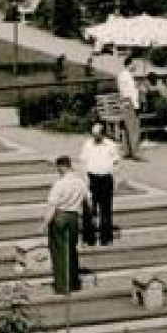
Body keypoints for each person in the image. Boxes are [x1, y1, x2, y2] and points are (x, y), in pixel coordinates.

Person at [42, 156, 87, 295]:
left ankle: (62, 286)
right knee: (71, 250)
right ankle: (74, 283)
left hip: (60, 216)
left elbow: (52, 206)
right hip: (74, 217)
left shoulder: (59, 184)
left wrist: (44, 223)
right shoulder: (81, 182)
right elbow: (85, 202)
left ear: (62, 167)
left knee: (59, 252)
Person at [78, 122, 120, 247]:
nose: (94, 137)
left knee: (106, 210)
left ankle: (106, 238)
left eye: (97, 135)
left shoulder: (111, 145)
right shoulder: (87, 144)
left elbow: (116, 163)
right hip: (92, 179)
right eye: (93, 134)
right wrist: (84, 181)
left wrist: (115, 179)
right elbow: (83, 162)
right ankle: (89, 238)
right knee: (89, 210)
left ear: (102, 134)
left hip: (106, 179)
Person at [115, 57, 146, 160]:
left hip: (124, 101)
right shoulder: (128, 76)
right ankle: (135, 153)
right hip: (130, 102)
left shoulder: (122, 75)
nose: (135, 66)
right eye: (133, 64)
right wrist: (136, 105)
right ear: (129, 64)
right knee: (134, 128)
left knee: (126, 127)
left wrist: (136, 86)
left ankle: (127, 150)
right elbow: (131, 93)